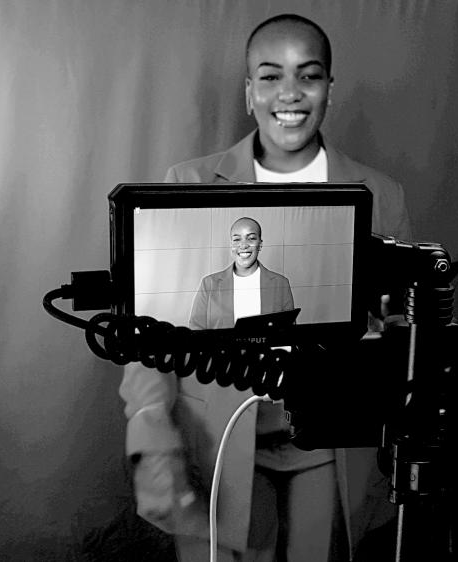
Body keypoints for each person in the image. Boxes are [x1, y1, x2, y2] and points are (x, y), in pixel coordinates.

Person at [118, 13, 412, 562]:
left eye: (309, 75)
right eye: (272, 76)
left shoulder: (381, 194)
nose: (290, 93)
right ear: (249, 90)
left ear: (329, 89)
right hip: (215, 439)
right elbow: (150, 337)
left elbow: (400, 332)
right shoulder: (188, 183)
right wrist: (151, 436)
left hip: (327, 444)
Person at [188, 217, 295, 330]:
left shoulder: (280, 283)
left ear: (260, 244)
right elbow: (196, 328)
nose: (243, 245)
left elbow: (289, 332)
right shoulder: (209, 284)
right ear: (231, 245)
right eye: (237, 239)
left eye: (251, 238)